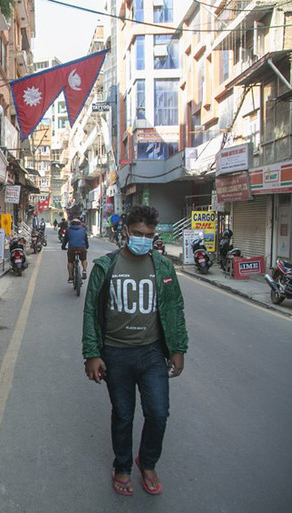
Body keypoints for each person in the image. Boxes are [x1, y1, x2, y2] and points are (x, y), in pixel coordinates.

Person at [82, 205, 187, 497]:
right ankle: (123, 467)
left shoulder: (163, 266)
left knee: (158, 413)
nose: (144, 239)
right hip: (115, 353)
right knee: (124, 415)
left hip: (152, 353)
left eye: (150, 235)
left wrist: (178, 349)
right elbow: (91, 311)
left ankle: (148, 462)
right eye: (138, 233)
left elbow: (175, 308)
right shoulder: (106, 266)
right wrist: (92, 353)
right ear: (125, 231)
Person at [61, 218, 89, 282]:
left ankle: (70, 277)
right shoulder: (83, 230)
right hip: (82, 248)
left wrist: (63, 247)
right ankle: (84, 270)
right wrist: (86, 247)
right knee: (84, 259)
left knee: (70, 262)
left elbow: (65, 240)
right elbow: (86, 240)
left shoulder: (68, 230)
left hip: (72, 248)